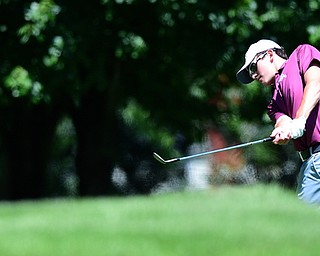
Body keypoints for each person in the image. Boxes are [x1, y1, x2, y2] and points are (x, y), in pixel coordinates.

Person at [236, 39, 320, 204]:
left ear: (269, 54)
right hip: (310, 163)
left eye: (253, 67)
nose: (253, 76)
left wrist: (299, 120)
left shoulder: (301, 54)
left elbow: (316, 84)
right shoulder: (273, 103)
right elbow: (283, 122)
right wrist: (282, 132)